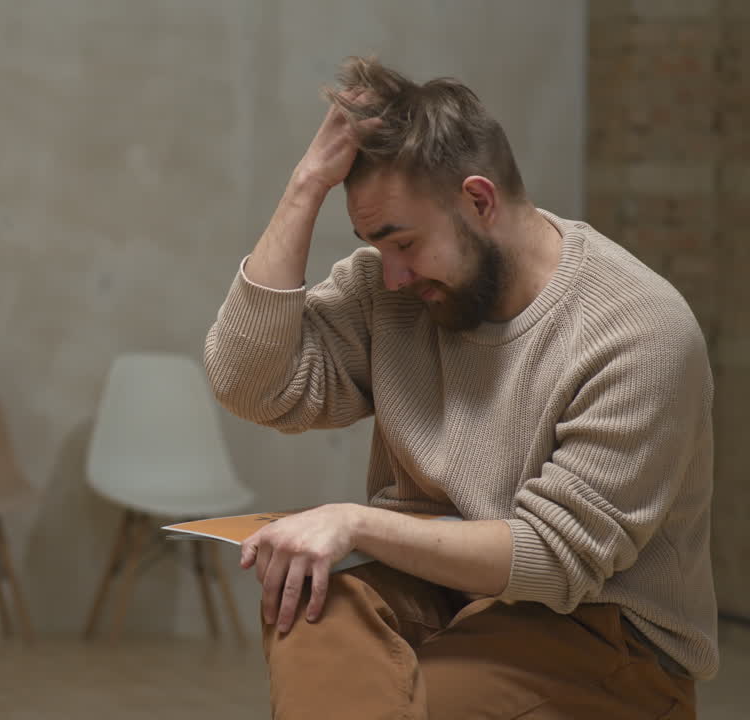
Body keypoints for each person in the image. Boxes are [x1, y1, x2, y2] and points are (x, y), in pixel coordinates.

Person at [203, 57, 717, 719]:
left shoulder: (638, 328)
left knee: (423, 699)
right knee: (308, 593)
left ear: (479, 201)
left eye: (403, 243)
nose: (390, 274)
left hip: (599, 629)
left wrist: (356, 521)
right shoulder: (392, 293)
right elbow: (249, 384)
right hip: (436, 590)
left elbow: (551, 558)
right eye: (373, 245)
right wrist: (305, 186)